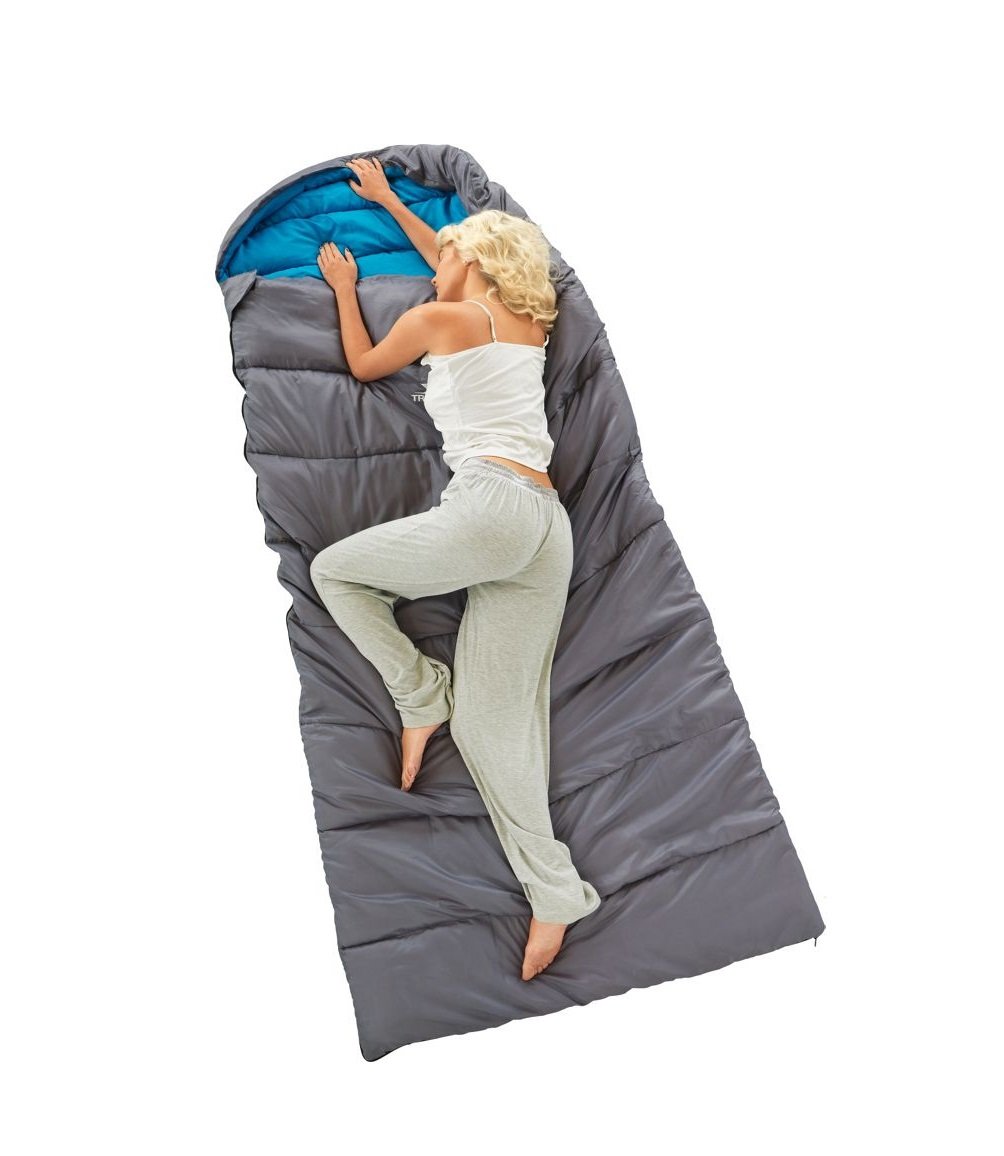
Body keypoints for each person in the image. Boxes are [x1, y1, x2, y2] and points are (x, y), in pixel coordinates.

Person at [309, 156, 601, 982]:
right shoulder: (526, 321)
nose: (434, 256)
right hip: (545, 524)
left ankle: (418, 692)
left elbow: (365, 364)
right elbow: (449, 257)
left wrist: (343, 290)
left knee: (336, 573)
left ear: (470, 259)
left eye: (446, 250)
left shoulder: (442, 319)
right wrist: (390, 202)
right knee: (494, 729)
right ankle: (554, 893)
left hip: (492, 511)